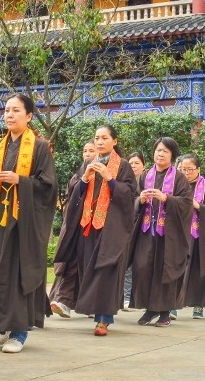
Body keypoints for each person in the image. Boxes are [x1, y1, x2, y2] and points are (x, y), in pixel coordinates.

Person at [0, 94, 57, 354]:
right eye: (7, 110)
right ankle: (4, 324)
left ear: (29, 116)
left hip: (23, 225)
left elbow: (47, 186)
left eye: (16, 110)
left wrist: (19, 180)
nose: (9, 115)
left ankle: (19, 332)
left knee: (17, 275)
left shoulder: (40, 148)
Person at [53, 124, 138, 336]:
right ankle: (88, 310)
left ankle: (104, 319)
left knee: (107, 271)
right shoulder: (88, 164)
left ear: (114, 141)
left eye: (104, 138)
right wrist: (84, 178)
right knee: (88, 270)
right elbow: (74, 191)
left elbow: (129, 196)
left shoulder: (124, 166)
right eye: (97, 138)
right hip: (87, 227)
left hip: (111, 230)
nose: (100, 142)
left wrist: (110, 178)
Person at [128, 137, 192, 326]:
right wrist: (140, 199)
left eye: (165, 151)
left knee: (165, 270)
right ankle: (150, 308)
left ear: (172, 155)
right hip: (147, 231)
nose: (160, 154)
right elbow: (132, 198)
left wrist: (166, 198)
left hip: (169, 234)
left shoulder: (179, 178)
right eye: (158, 150)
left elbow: (187, 204)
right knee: (143, 267)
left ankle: (164, 312)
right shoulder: (145, 175)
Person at [49, 141, 96, 318]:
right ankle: (63, 300)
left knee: (89, 264)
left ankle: (90, 305)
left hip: (94, 226)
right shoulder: (79, 174)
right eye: (85, 150)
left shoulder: (105, 172)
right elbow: (72, 193)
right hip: (75, 225)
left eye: (91, 150)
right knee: (70, 262)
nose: (87, 154)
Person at [176, 153, 205, 319]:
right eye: (183, 169)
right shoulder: (176, 186)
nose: (186, 173)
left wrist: (198, 206)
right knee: (176, 270)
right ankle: (172, 305)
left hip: (200, 235)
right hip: (179, 234)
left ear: (198, 169)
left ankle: (198, 305)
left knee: (198, 271)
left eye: (190, 169)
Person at [122, 152, 146, 310]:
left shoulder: (148, 181)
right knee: (127, 264)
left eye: (137, 163)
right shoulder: (125, 181)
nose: (133, 165)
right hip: (126, 226)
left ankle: (139, 297)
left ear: (143, 166)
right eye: (130, 162)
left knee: (142, 263)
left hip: (144, 227)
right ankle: (126, 296)